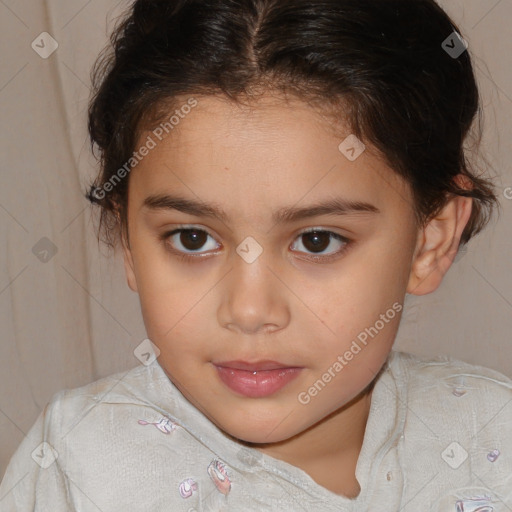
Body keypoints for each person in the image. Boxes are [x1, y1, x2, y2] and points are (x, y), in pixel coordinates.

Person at [1, 0, 511, 510]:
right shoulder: (77, 461)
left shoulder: (493, 437)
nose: (249, 311)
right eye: (192, 239)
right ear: (128, 239)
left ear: (431, 239)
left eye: (317, 241)